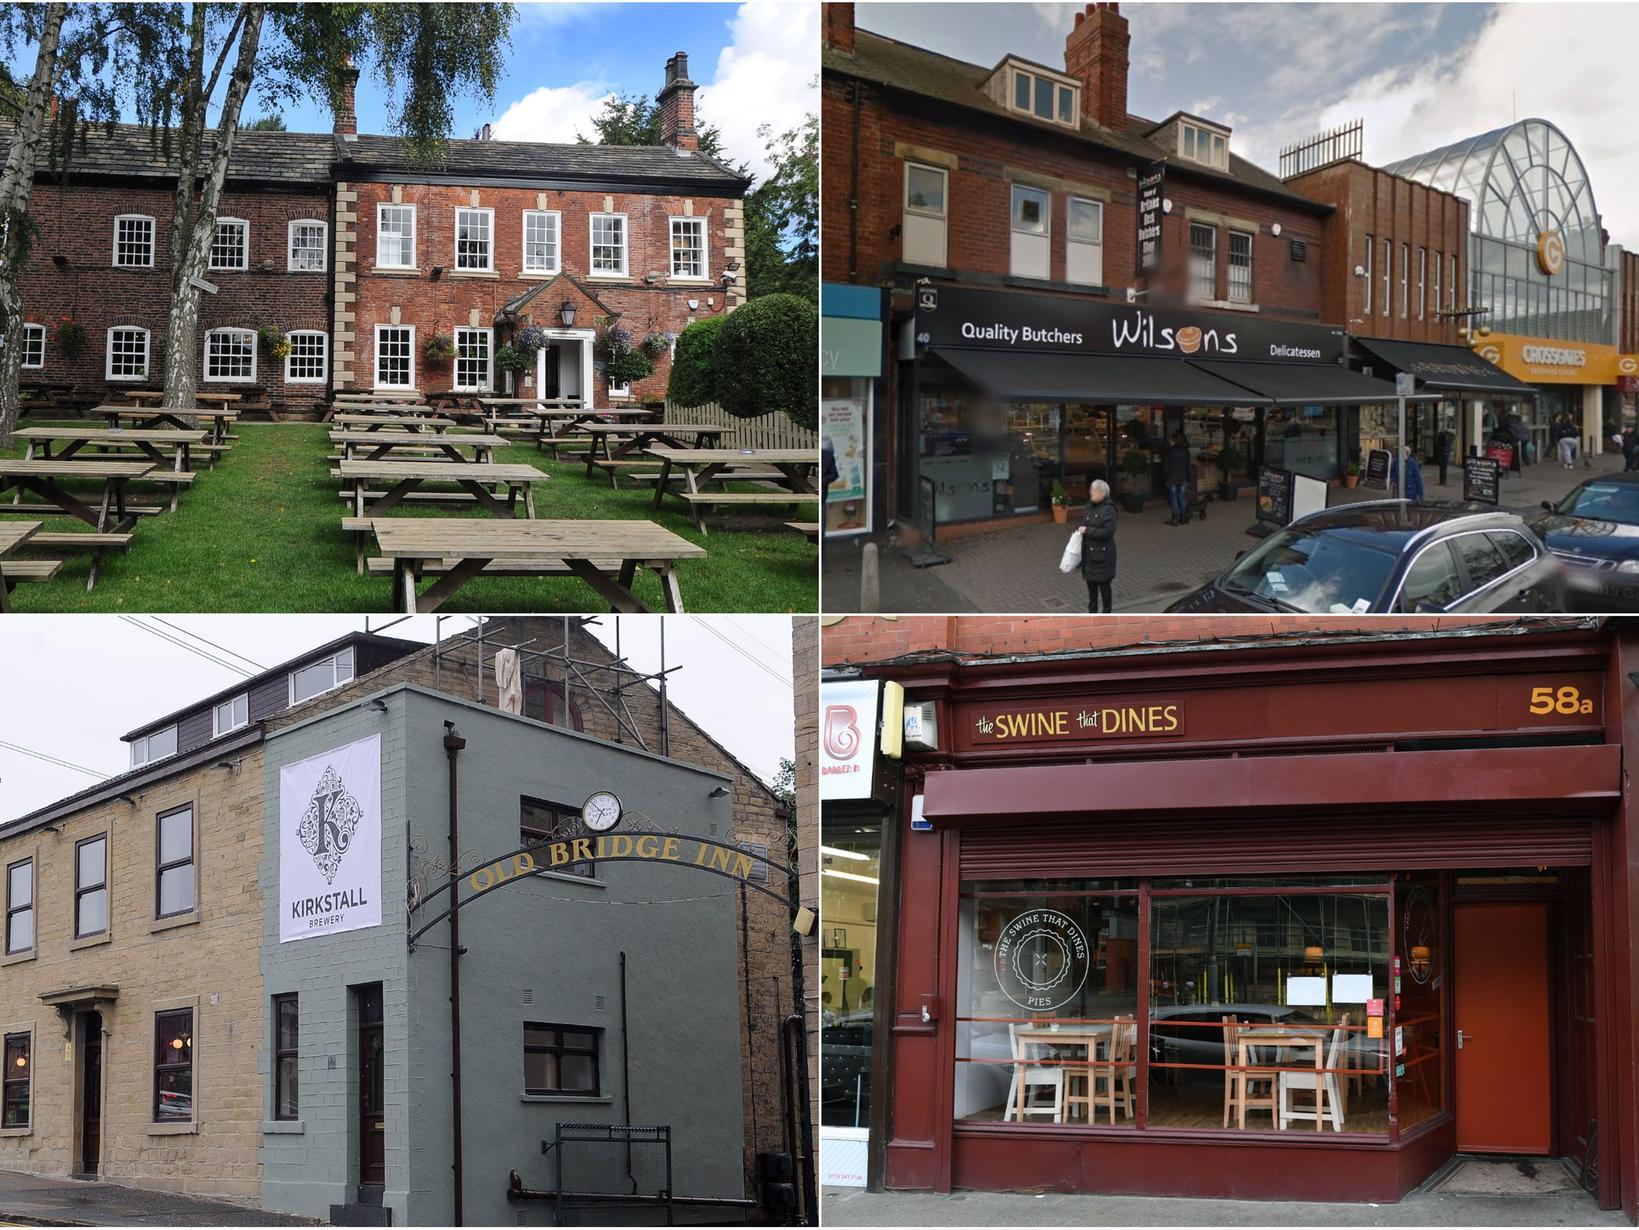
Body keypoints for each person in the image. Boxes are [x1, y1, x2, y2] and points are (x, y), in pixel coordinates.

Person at [1079, 479, 1118, 613]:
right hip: (1089, 555)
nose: (1091, 492)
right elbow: (1083, 521)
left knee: (1104, 588)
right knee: (1091, 590)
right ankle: (1092, 614)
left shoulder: (1109, 509)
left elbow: (1108, 532)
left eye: (1093, 490)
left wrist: (1087, 530)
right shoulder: (1089, 506)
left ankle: (1107, 614)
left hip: (1103, 556)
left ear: (1102, 492)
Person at [1163, 430, 1192, 525]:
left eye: (1171, 439)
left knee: (1174, 499)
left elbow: (1167, 466)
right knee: (1182, 498)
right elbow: (1188, 466)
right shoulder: (1186, 451)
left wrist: (1166, 477)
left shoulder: (1170, 451)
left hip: (1172, 478)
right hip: (1183, 478)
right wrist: (1188, 479)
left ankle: (1175, 518)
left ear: (1174, 440)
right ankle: (1183, 518)